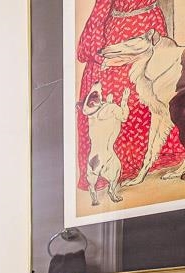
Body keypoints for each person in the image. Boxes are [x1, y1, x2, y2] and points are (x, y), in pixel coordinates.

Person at [76, 0, 185, 190]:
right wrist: (93, 48)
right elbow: (101, 8)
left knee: (161, 101)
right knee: (120, 96)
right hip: (122, 35)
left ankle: (150, 162)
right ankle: (119, 169)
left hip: (152, 33)